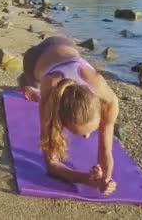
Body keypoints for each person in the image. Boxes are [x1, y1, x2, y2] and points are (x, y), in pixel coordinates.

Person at [18, 36, 119, 195]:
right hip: (35, 59)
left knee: (42, 90)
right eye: (78, 132)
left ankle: (35, 90)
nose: (86, 137)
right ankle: (27, 83)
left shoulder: (107, 98)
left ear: (99, 108)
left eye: (91, 130)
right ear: (60, 116)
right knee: (32, 85)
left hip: (64, 45)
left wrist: (105, 179)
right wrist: (86, 179)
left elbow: (106, 150)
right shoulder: (50, 91)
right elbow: (52, 165)